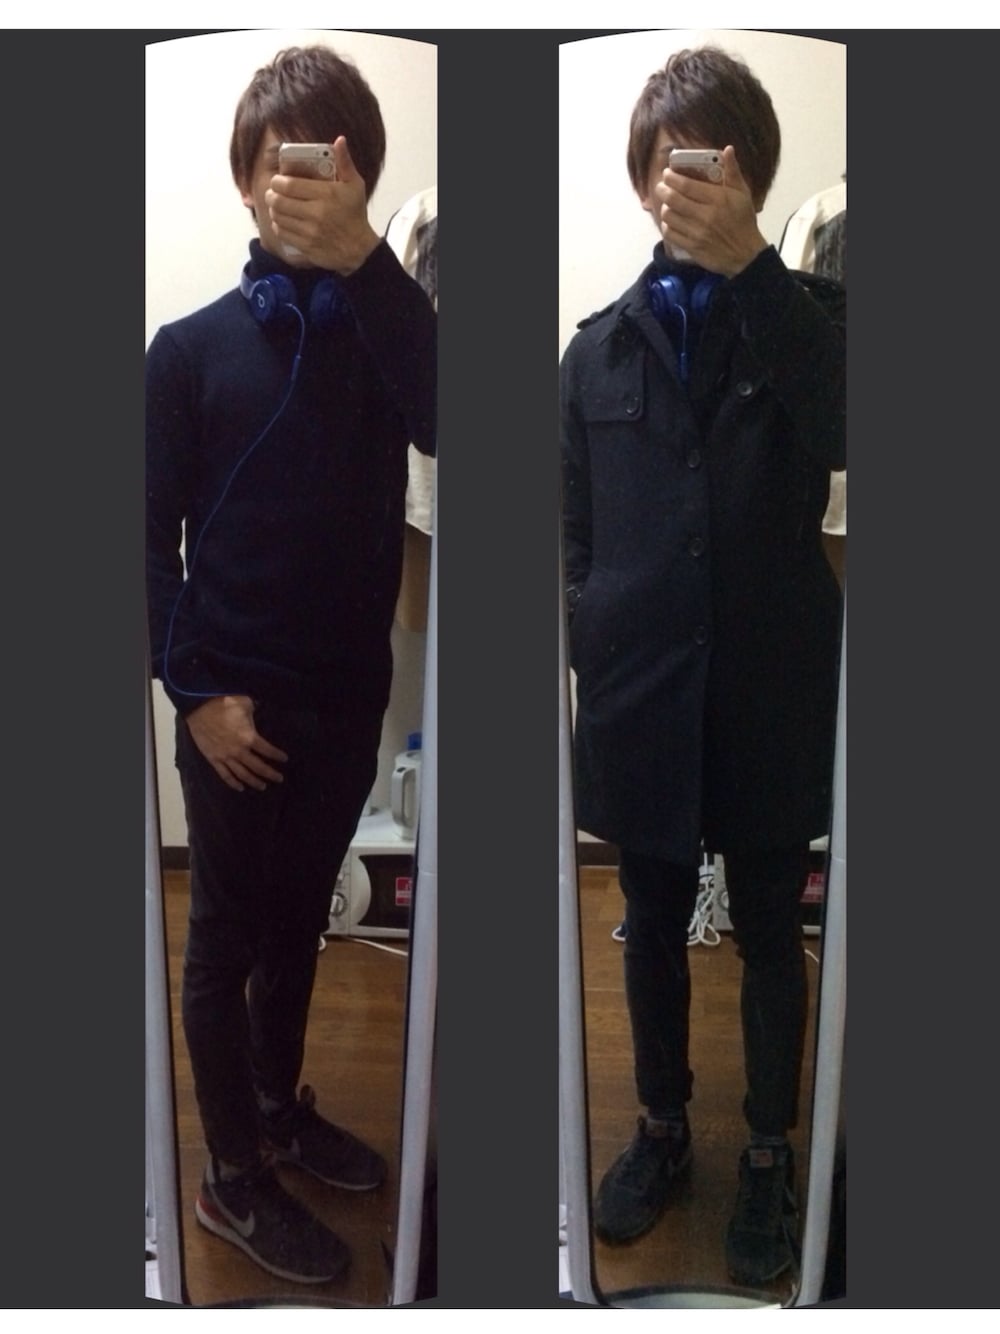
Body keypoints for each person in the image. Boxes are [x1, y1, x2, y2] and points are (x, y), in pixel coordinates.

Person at [146, 45, 436, 1285]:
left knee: (301, 921)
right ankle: (229, 1175)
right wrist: (197, 698)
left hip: (342, 700)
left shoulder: (387, 337)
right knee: (224, 941)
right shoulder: (185, 351)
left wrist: (369, 263)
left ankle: (274, 1105)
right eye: (282, 159)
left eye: (328, 159)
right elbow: (140, 546)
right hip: (233, 706)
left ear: (359, 176)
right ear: (244, 180)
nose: (302, 180)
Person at [560, 46, 844, 1287]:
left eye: (708, 157)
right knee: (650, 923)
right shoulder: (594, 351)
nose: (680, 179)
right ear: (642, 180)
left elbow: (854, 427)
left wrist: (754, 272)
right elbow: (575, 527)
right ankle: (662, 1123)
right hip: (641, 694)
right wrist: (592, 629)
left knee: (774, 927)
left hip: (772, 685)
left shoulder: (816, 319)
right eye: (663, 159)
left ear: (750, 173)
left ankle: (771, 1148)